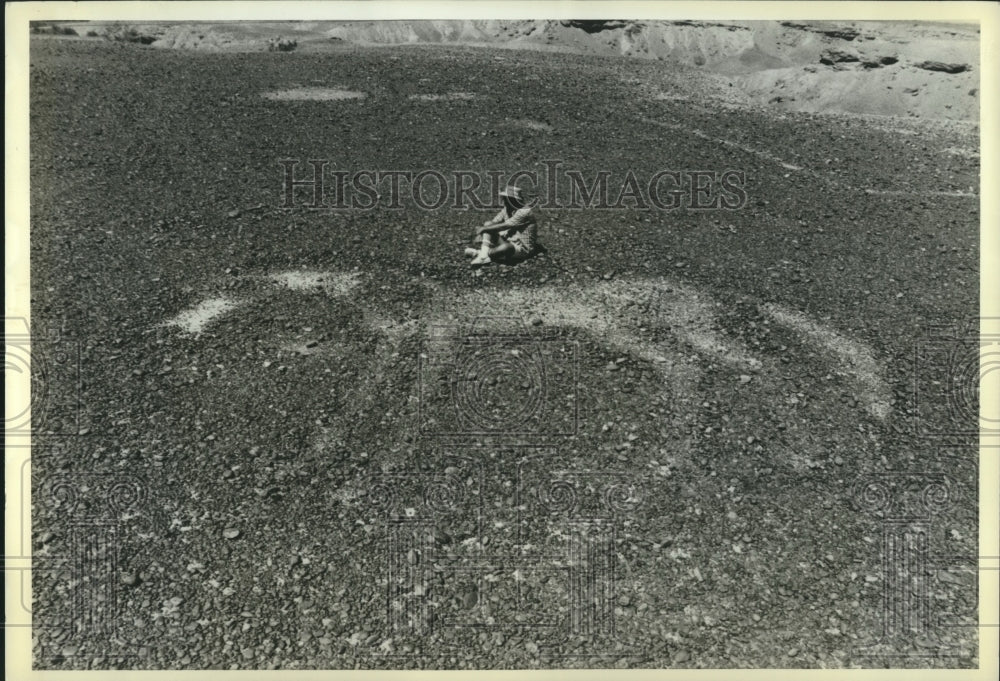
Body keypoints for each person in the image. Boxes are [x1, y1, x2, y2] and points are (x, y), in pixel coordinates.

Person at [465, 185, 540, 267]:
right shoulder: (507, 208)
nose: (504, 201)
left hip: (522, 249)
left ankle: (479, 253)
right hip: (508, 240)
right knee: (488, 225)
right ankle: (484, 255)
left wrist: (483, 230)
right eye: (505, 199)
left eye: (507, 199)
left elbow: (507, 225)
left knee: (506, 247)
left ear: (514, 200)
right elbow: (494, 221)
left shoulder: (525, 211)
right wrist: (485, 230)